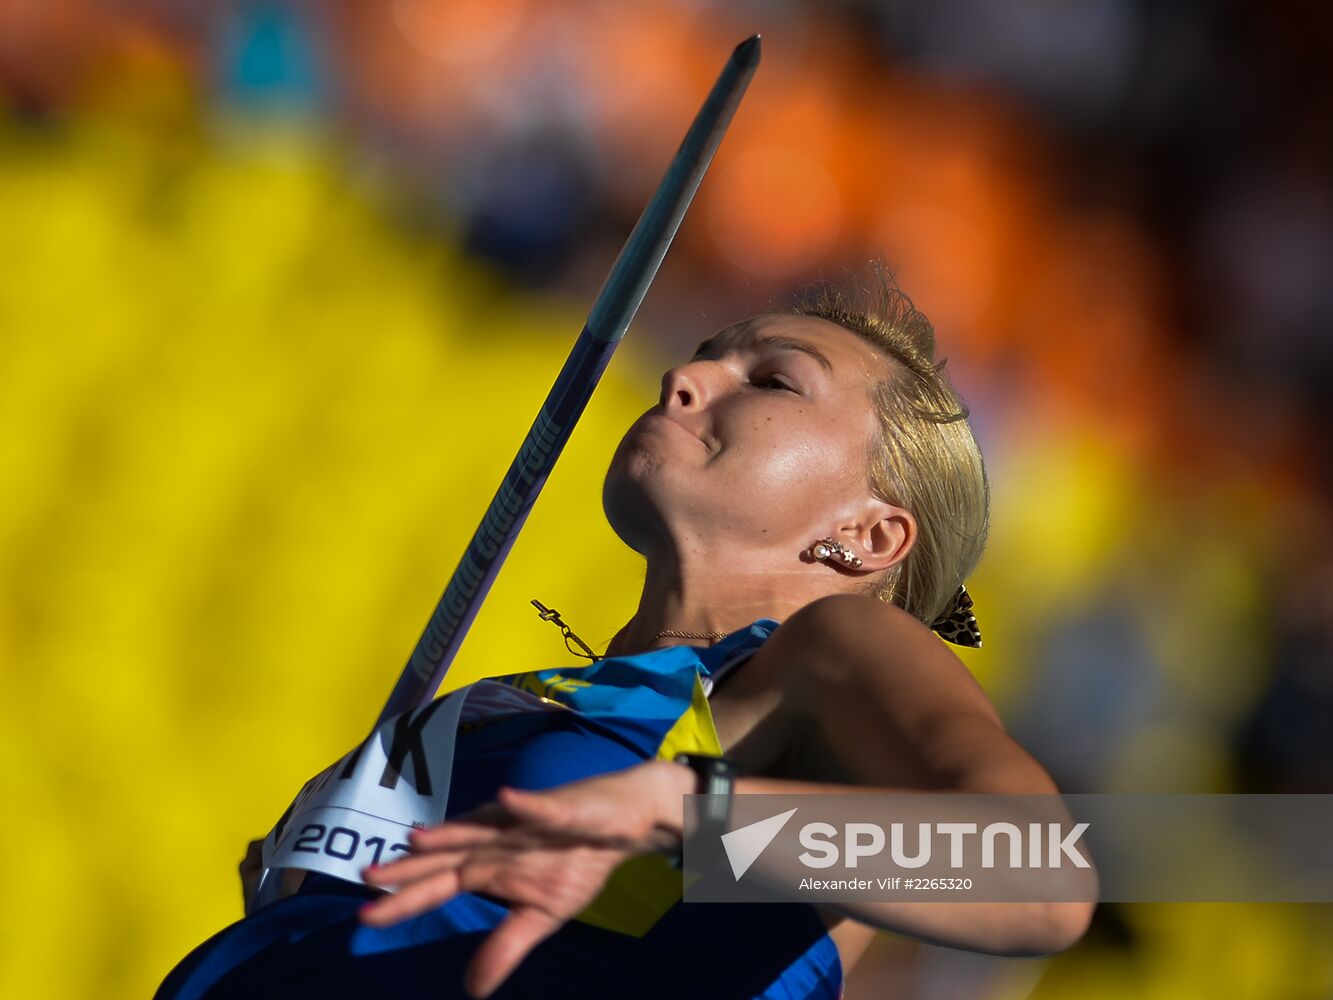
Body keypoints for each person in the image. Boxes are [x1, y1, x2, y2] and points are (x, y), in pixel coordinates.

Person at [157, 272, 1094, 999]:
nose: (682, 378)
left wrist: (685, 820)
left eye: (769, 380)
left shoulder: (819, 656)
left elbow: (1034, 874)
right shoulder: (521, 703)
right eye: (702, 354)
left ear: (867, 534)